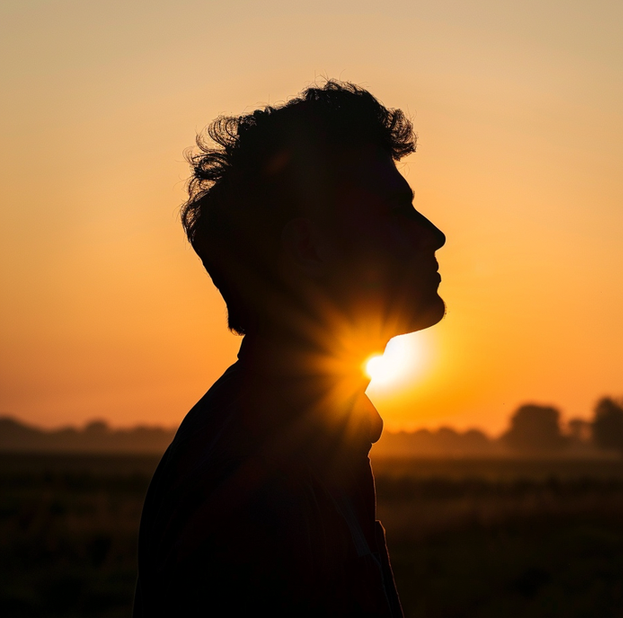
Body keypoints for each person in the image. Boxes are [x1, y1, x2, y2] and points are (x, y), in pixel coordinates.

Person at [134, 81, 446, 617]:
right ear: (308, 248)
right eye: (397, 212)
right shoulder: (255, 488)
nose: (433, 235)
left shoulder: (306, 443)